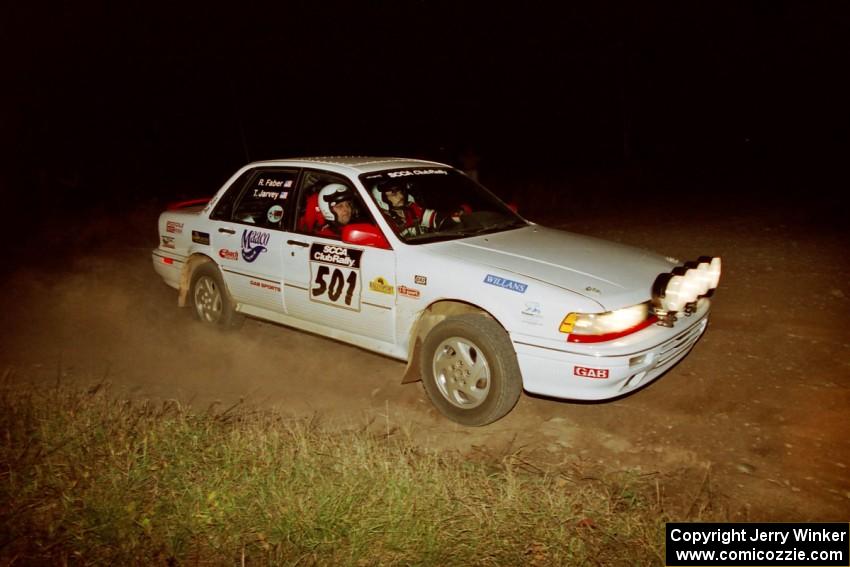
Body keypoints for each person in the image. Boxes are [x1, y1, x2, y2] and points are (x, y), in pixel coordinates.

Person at [372, 180, 459, 237]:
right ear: (381, 199)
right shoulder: (382, 220)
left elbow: (436, 218)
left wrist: (456, 218)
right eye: (394, 193)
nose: (401, 196)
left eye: (400, 191)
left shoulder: (411, 209)